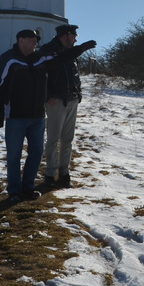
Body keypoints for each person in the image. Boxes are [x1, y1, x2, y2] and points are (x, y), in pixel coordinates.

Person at [0, 28, 94, 202]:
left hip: (37, 115)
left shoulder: (39, 58)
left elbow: (60, 58)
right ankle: (15, 191)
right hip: (16, 115)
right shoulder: (8, 59)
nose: (35, 43)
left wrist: (80, 49)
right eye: (31, 40)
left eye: (36, 41)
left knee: (36, 153)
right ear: (20, 39)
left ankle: (28, 188)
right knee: (14, 154)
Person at [39, 23, 96, 189]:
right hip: (56, 101)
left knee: (68, 140)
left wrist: (78, 94)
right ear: (64, 35)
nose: (76, 39)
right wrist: (48, 96)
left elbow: (73, 74)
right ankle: (50, 174)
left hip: (71, 100)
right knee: (53, 139)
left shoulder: (70, 51)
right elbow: (44, 74)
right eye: (73, 35)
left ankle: (64, 173)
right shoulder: (49, 50)